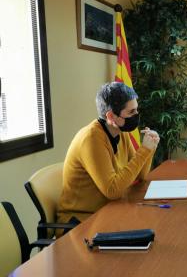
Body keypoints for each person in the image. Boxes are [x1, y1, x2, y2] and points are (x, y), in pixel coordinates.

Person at [57, 82, 160, 230]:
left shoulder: (120, 131)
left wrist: (150, 148)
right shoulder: (91, 139)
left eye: (137, 110)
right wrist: (143, 150)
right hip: (80, 222)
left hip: (109, 211)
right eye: (131, 112)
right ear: (111, 116)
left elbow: (140, 175)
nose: (136, 115)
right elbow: (113, 191)